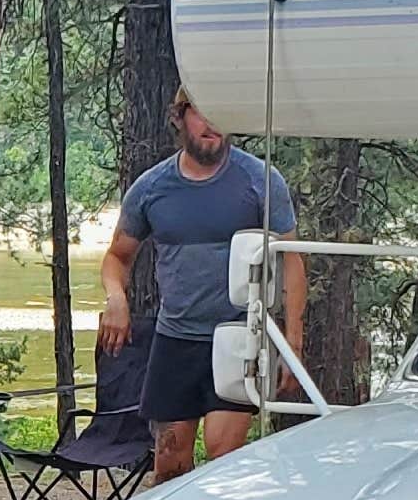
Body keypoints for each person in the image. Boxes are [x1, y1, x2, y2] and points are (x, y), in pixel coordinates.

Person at [98, 90, 303, 478]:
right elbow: (117, 257)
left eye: (220, 115)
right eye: (201, 115)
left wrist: (292, 338)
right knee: (169, 468)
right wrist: (116, 299)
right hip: (175, 338)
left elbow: (292, 258)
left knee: (221, 462)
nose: (211, 125)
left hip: (239, 336)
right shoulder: (152, 187)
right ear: (180, 117)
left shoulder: (259, 180)